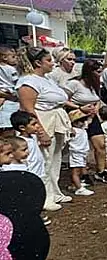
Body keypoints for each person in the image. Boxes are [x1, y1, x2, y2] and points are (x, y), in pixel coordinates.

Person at [16, 46, 73, 211]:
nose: (52, 63)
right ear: (37, 63)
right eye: (48, 60)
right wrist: (41, 132)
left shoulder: (47, 79)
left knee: (55, 158)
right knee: (44, 160)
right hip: (43, 120)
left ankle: (54, 191)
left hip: (56, 120)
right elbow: (29, 109)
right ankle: (44, 196)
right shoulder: (28, 82)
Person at [64, 59, 107, 184]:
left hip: (92, 116)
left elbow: (97, 99)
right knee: (81, 147)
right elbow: (63, 99)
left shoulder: (95, 85)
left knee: (101, 144)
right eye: (97, 72)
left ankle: (100, 171)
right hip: (78, 117)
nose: (99, 74)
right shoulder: (74, 84)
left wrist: (95, 108)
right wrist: (79, 108)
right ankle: (82, 173)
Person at [67, 110, 94, 196]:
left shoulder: (82, 129)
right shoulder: (73, 131)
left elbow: (89, 120)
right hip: (76, 153)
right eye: (81, 121)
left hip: (82, 153)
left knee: (79, 170)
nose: (83, 123)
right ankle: (79, 189)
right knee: (76, 172)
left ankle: (74, 185)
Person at [10, 110, 43, 178]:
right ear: (22, 128)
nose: (37, 126)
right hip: (31, 174)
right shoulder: (21, 142)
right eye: (33, 124)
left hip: (40, 173)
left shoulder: (33, 136)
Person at [0, 45, 19, 131]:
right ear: (4, 57)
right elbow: (16, 81)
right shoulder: (11, 69)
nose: (15, 59)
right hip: (11, 91)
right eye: (13, 57)